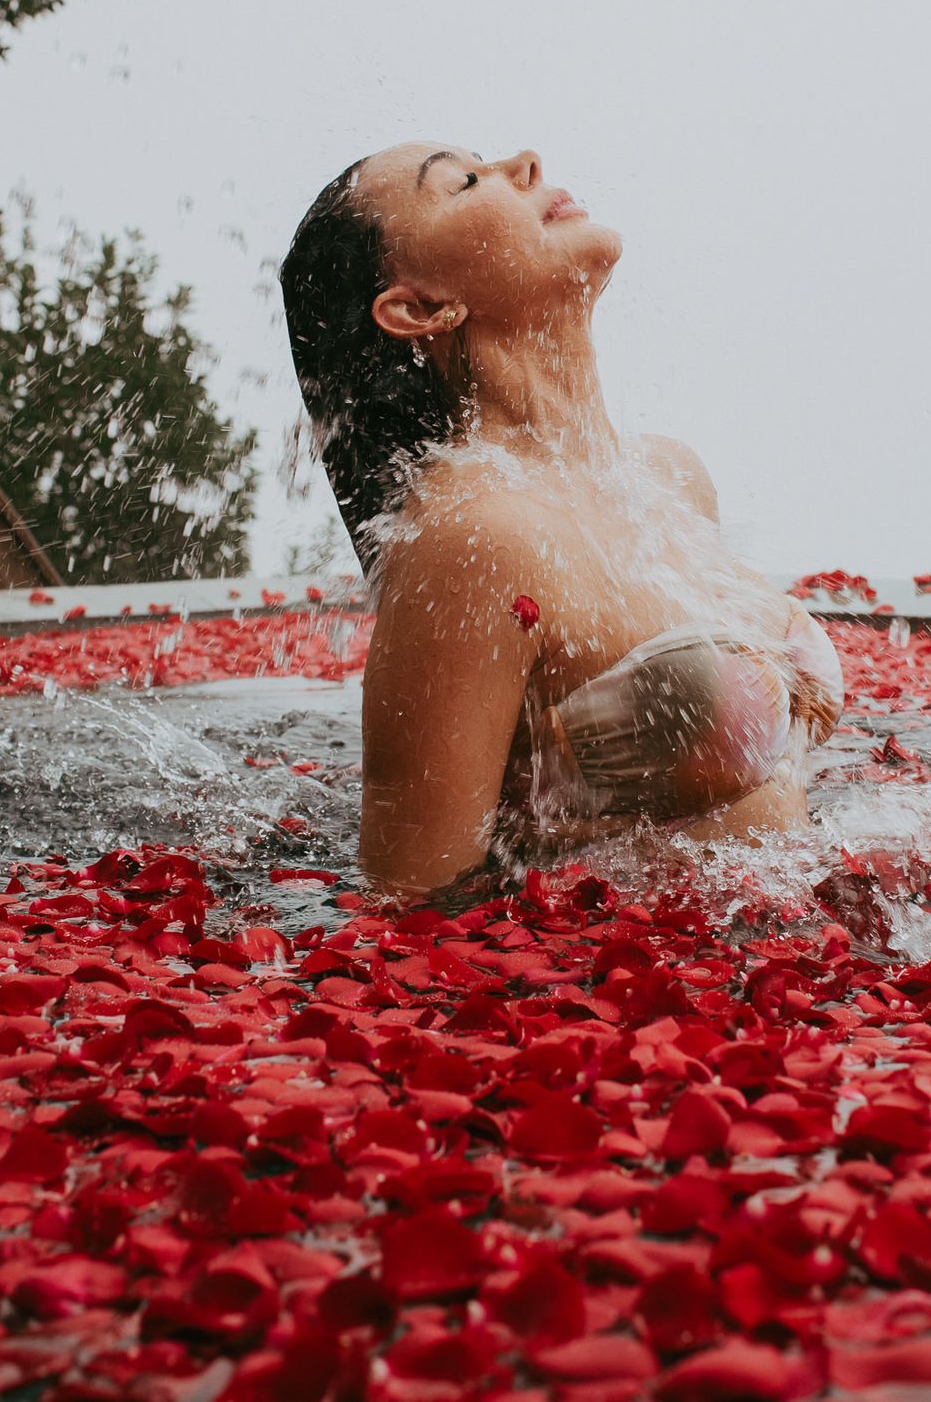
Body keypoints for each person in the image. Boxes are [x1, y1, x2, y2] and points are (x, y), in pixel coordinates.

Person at [281, 144, 843, 896]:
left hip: (785, 979)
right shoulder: (469, 541)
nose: (524, 162)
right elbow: (410, 904)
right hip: (646, 999)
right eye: (466, 181)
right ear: (419, 308)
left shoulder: (669, 479)